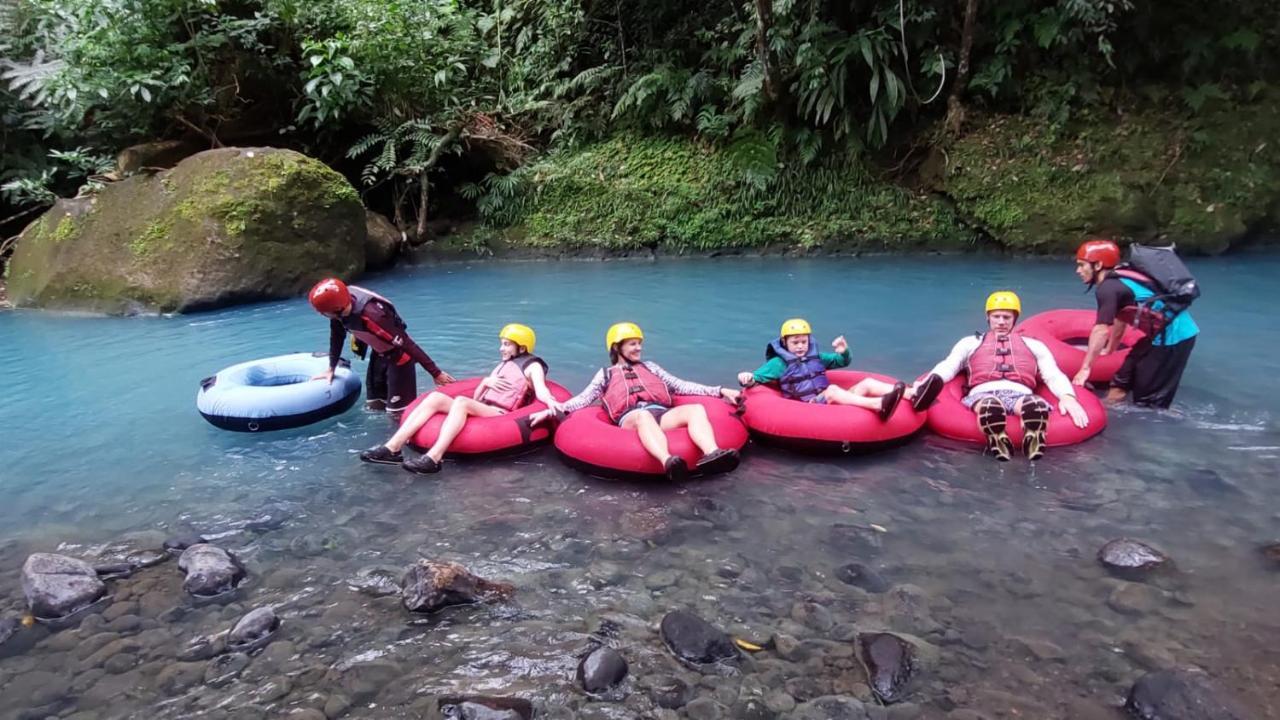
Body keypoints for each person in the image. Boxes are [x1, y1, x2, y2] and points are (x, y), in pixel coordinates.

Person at [531, 322, 743, 481]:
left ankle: (712, 454)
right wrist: (550, 412)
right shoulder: (605, 374)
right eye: (633, 344)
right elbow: (582, 400)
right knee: (643, 416)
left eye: (639, 344)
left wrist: (721, 390)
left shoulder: (651, 367)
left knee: (695, 409)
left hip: (660, 414)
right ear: (617, 348)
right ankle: (668, 461)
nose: (638, 348)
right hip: (632, 418)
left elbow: (681, 385)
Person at [910, 291, 1090, 461]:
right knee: (990, 406)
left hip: (1021, 394)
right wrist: (928, 382)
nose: (1001, 322)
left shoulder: (1034, 345)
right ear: (988, 317)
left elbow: (1052, 374)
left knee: (1034, 405)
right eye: (996, 317)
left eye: (1007, 317)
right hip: (983, 394)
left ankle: (1033, 435)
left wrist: (1067, 397)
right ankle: (998, 436)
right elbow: (949, 366)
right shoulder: (970, 343)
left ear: (1015, 319)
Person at [360, 324, 560, 474]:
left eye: (506, 345)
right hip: (484, 406)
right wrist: (486, 382)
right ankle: (392, 448)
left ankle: (434, 458)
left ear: (522, 348)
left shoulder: (532, 365)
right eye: (501, 344)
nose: (501, 348)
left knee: (460, 402)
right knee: (436, 397)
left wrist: (551, 402)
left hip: (501, 413)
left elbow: (541, 389)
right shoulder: (502, 366)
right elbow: (477, 397)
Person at [1073, 239, 1199, 408]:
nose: (1078, 271)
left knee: (1149, 402)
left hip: (1174, 339)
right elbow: (1121, 319)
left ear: (1098, 265)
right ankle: (1110, 408)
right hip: (1157, 336)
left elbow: (1101, 330)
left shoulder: (1108, 289)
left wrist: (1086, 368)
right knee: (1121, 380)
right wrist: (1110, 349)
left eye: (1082, 265)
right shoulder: (1119, 278)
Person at [307, 278, 455, 418]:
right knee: (374, 405)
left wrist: (435, 373)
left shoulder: (373, 316)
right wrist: (331, 368)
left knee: (397, 414)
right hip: (379, 354)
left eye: (323, 312)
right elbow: (337, 338)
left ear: (337, 308)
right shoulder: (340, 310)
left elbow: (407, 343)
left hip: (399, 358)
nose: (321, 314)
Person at [736, 318, 906, 420]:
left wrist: (844, 352)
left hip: (826, 400)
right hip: (808, 407)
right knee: (832, 390)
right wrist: (746, 377)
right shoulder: (778, 363)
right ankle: (878, 405)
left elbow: (841, 362)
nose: (800, 346)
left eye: (804, 341)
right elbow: (756, 378)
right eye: (795, 343)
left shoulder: (816, 357)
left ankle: (913, 394)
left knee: (867, 383)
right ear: (784, 343)